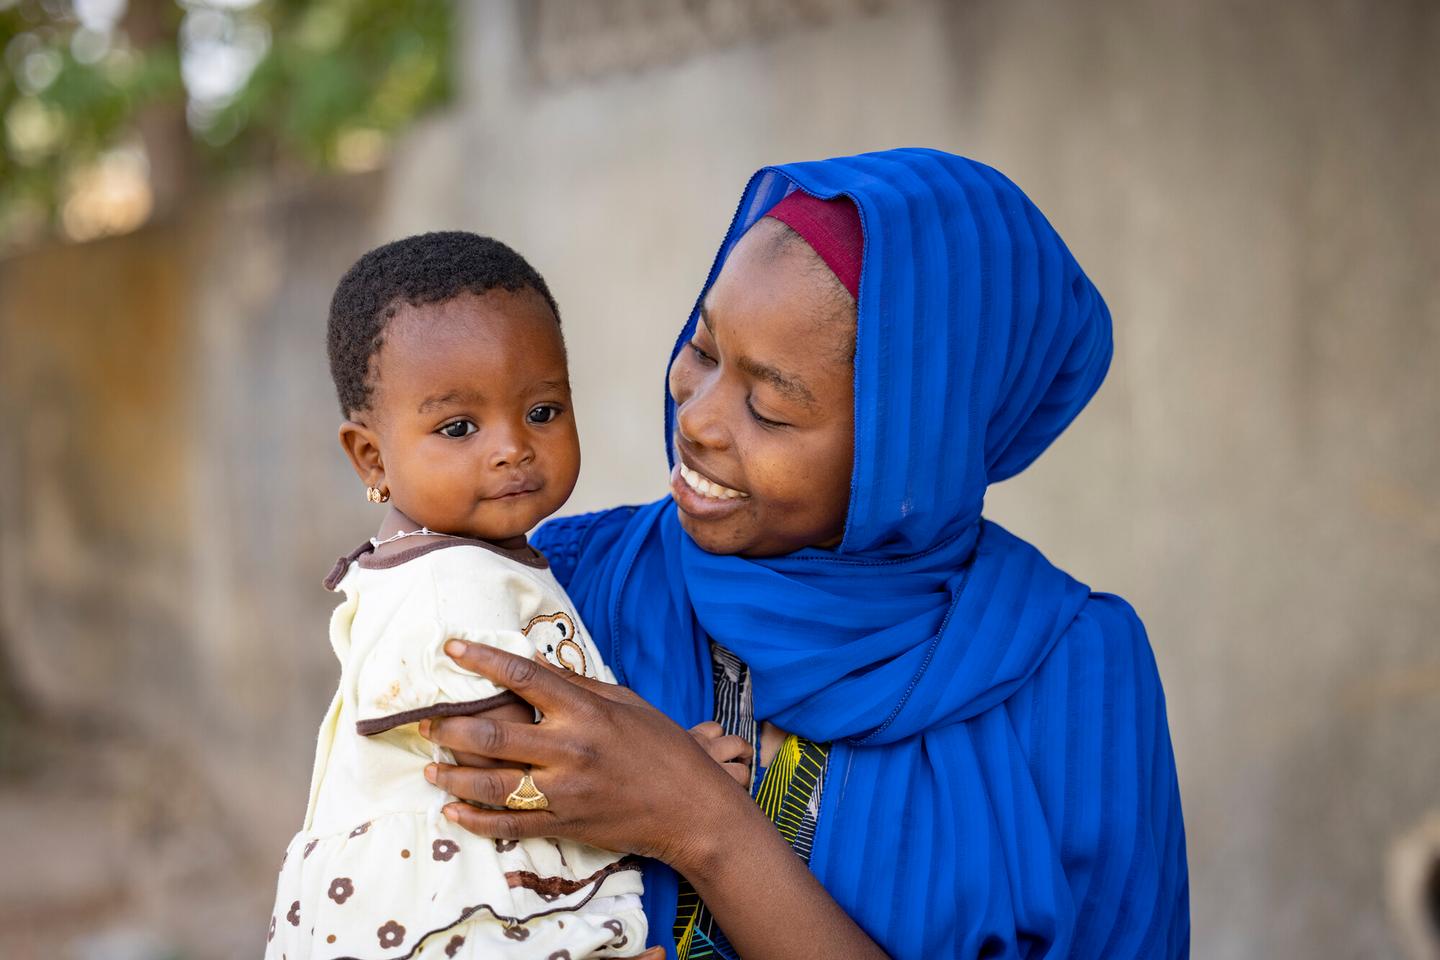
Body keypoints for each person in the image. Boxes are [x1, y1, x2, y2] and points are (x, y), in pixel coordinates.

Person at [419, 149, 1191, 959]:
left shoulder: (1072, 674)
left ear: (914, 451)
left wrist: (703, 825)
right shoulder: (568, 587)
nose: (699, 419)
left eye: (770, 406)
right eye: (704, 349)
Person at [265, 232, 683, 959]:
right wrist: (681, 777)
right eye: (459, 427)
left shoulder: (461, 566)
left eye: (543, 411)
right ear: (372, 456)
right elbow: (526, 773)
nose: (511, 447)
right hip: (459, 926)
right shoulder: (447, 587)